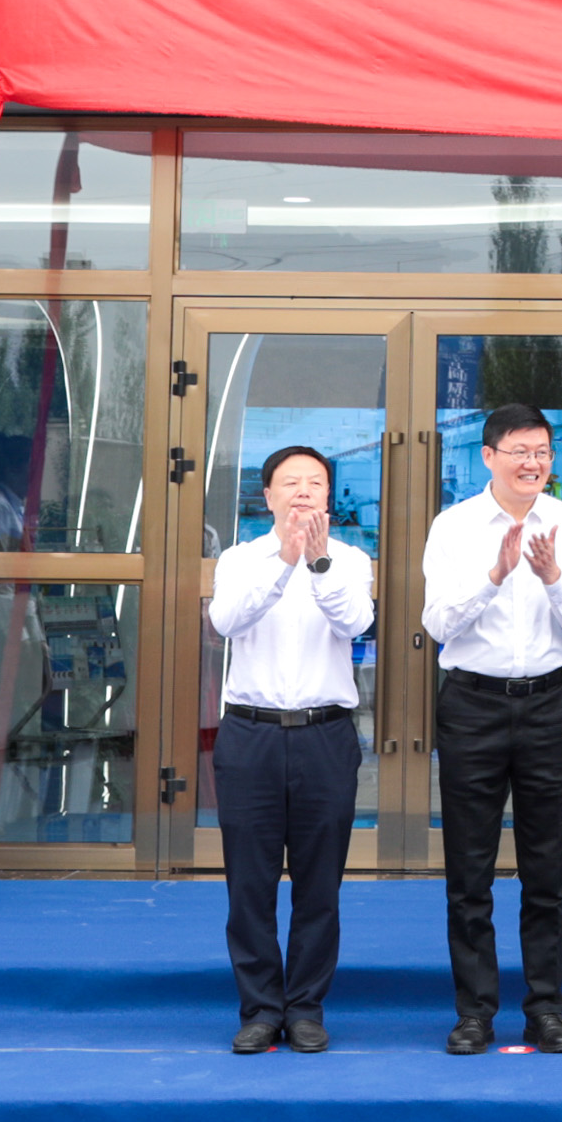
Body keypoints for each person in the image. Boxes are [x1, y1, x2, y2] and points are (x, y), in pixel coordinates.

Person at [422, 403, 562, 1054]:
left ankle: (545, 1008)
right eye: (520, 451)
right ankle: (474, 1012)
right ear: (489, 456)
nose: (533, 463)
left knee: (547, 870)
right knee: (468, 871)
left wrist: (552, 578)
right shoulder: (454, 526)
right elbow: (438, 624)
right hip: (471, 706)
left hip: (548, 705)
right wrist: (494, 576)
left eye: (542, 452)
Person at [209, 444, 374, 1054]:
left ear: (328, 495)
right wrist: (284, 560)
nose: (304, 491)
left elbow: (355, 623)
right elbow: (227, 622)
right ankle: (259, 1008)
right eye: (291, 482)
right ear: (268, 495)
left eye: (315, 482)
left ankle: (305, 1008)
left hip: (324, 735)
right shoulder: (240, 559)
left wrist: (317, 562)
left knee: (319, 885)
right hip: (249, 735)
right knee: (249, 884)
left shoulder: (350, 559)